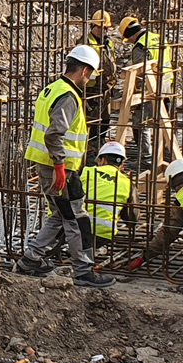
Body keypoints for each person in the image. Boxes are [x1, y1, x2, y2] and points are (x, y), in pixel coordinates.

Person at [17, 45, 115, 289]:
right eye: (90, 73)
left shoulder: (51, 89)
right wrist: (61, 165)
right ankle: (83, 271)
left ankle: (31, 259)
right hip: (60, 170)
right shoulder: (68, 97)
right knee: (77, 219)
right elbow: (54, 134)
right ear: (83, 70)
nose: (90, 79)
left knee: (61, 215)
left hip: (48, 166)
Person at [120, 15, 173, 169]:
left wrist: (133, 94)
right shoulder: (158, 38)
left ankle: (146, 159)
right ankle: (167, 157)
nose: (129, 42)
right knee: (163, 122)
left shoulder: (140, 46)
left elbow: (139, 73)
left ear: (130, 34)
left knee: (139, 123)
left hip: (150, 89)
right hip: (166, 86)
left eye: (127, 39)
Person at [82, 141, 137, 252]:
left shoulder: (86, 171)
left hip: (76, 231)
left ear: (102, 160)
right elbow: (132, 218)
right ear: (122, 164)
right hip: (103, 236)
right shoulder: (127, 183)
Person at [84, 10, 119, 147]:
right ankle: (90, 149)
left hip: (106, 88)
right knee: (92, 120)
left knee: (105, 120)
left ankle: (99, 145)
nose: (101, 30)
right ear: (92, 26)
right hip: (91, 89)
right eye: (98, 27)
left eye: (104, 28)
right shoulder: (86, 43)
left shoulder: (108, 43)